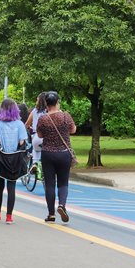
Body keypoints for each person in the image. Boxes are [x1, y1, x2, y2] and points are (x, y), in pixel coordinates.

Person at [37, 91, 76, 224]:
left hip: (47, 154)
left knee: (49, 184)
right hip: (64, 153)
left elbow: (40, 135)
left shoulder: (43, 118)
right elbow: (73, 130)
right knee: (63, 182)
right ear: (58, 102)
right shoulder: (65, 116)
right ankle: (62, 205)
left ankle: (51, 214)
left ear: (46, 104)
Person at [0, 98, 28, 224]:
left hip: (1, 158)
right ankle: (9, 216)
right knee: (11, 187)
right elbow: (22, 142)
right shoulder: (20, 124)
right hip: (15, 159)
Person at [25, 92, 47, 166]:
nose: (36, 102)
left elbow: (27, 124)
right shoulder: (49, 112)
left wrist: (30, 127)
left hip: (37, 136)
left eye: (37, 100)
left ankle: (35, 163)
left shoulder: (35, 111)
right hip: (47, 138)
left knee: (36, 151)